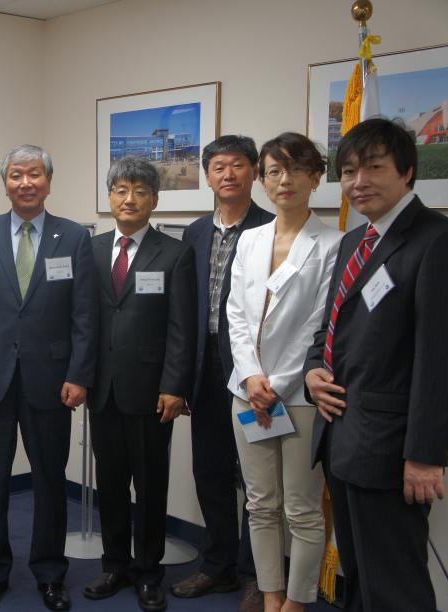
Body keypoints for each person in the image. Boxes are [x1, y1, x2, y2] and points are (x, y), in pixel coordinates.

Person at [304, 117, 448, 611]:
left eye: (373, 168)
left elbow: (441, 359)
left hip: (391, 450)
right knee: (360, 574)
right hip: (342, 436)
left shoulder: (438, 241)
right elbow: (329, 327)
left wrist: (426, 454)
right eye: (349, 171)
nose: (359, 182)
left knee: (396, 585)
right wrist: (312, 370)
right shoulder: (355, 241)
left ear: (408, 171)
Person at [0, 144, 97, 611]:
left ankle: (51, 574)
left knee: (50, 482)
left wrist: (79, 374)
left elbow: (84, 315)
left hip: (52, 381)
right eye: (17, 175)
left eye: (35, 174)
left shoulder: (74, 237)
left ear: (49, 182)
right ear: (6, 183)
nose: (26, 183)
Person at [225, 133, 341, 612]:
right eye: (273, 171)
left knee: (302, 510)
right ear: (262, 179)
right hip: (247, 393)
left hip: (299, 397)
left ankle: (296, 602)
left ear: (315, 178)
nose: (283, 180)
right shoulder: (250, 238)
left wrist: (278, 383)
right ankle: (270, 595)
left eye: (295, 169)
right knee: (260, 504)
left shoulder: (334, 242)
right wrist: (252, 378)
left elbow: (320, 325)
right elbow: (234, 314)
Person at [83, 156, 195, 612]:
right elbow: (83, 320)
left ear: (154, 200)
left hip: (153, 393)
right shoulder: (89, 251)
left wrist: (175, 386)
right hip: (101, 389)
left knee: (150, 485)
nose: (129, 199)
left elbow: (181, 329)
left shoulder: (174, 253)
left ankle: (149, 572)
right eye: (121, 190)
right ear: (110, 197)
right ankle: (114, 565)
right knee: (109, 483)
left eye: (140, 192)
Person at [173, 135, 272, 612]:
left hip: (253, 376)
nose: (228, 174)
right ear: (207, 175)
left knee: (257, 479)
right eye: (218, 166)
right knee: (209, 469)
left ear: (254, 171)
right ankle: (217, 565)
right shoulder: (193, 233)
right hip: (205, 371)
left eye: (238, 165)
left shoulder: (273, 229)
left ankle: (258, 574)